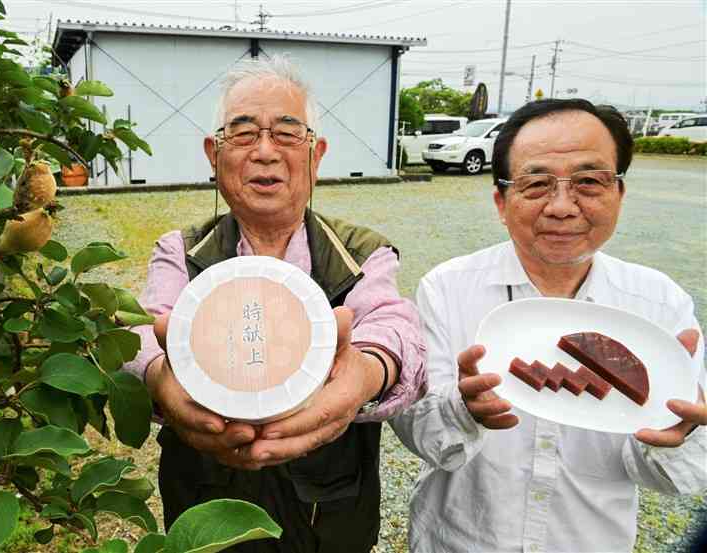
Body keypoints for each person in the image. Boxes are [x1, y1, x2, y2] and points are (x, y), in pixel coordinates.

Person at [122, 56, 426, 552]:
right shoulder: (181, 249)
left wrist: (367, 372)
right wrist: (159, 376)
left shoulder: (362, 252)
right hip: (206, 506)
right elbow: (143, 328)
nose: (265, 152)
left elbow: (394, 325)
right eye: (242, 135)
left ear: (316, 154)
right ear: (213, 154)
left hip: (330, 510)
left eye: (287, 134)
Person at [391, 98, 707, 553]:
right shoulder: (448, 288)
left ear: (618, 193)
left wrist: (678, 431)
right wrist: (464, 409)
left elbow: (670, 476)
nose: (562, 206)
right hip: (459, 541)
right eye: (537, 183)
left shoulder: (659, 304)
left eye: (588, 181)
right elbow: (424, 437)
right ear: (501, 201)